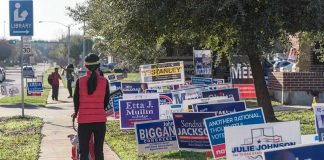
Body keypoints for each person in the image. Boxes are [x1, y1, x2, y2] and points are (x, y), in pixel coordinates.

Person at [72, 53, 110, 160]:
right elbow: (106, 102)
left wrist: (75, 113)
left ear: (85, 66)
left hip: (84, 122)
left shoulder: (80, 81)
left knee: (84, 152)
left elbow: (76, 101)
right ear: (99, 65)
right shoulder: (104, 81)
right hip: (100, 122)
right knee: (99, 151)